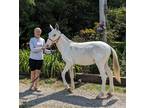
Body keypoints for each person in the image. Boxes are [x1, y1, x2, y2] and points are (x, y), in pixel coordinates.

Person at [29, 27, 51, 91]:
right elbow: (33, 50)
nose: (38, 33)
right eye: (37, 31)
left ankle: (36, 87)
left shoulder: (43, 40)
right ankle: (32, 85)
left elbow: (45, 50)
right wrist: (42, 48)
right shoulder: (32, 39)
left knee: (37, 73)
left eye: (39, 31)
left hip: (40, 59)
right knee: (33, 72)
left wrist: (50, 51)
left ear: (40, 32)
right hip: (32, 59)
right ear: (34, 32)